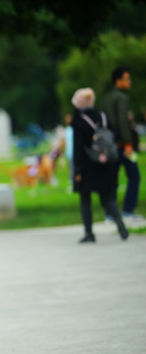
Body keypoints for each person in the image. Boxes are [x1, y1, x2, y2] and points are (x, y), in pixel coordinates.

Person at [71, 88, 129, 243]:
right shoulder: (102, 117)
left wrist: (77, 170)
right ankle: (121, 226)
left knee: (85, 199)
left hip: (86, 165)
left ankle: (89, 233)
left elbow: (78, 148)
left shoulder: (79, 121)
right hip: (104, 163)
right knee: (107, 199)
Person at [100, 67, 141, 220]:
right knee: (134, 176)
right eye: (127, 78)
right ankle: (128, 211)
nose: (130, 82)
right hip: (123, 145)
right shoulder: (121, 98)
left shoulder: (106, 98)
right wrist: (128, 143)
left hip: (109, 145)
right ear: (118, 80)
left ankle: (110, 213)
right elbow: (123, 122)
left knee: (112, 179)